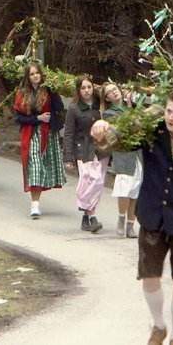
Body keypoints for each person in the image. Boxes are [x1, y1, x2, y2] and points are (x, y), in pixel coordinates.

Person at [91, 90, 173, 345]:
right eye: (168, 111)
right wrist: (103, 130)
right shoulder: (152, 131)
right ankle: (159, 325)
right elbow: (121, 140)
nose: (170, 117)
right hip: (153, 215)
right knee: (149, 276)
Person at [14, 62, 66, 218]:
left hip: (47, 134)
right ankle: (34, 204)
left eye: (37, 73)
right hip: (31, 133)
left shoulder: (48, 91)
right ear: (27, 77)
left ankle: (37, 200)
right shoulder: (22, 94)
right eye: (32, 74)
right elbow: (19, 118)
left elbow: (59, 107)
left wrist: (53, 88)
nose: (35, 76)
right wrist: (38, 118)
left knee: (45, 166)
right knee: (35, 166)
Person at [63, 75, 109, 232]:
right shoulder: (74, 108)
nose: (87, 90)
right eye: (83, 88)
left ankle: (85, 216)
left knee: (98, 182)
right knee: (90, 179)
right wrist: (68, 157)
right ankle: (93, 218)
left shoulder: (100, 105)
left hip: (100, 149)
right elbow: (68, 133)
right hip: (83, 148)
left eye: (89, 87)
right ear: (78, 90)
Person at [100, 83, 143, 238]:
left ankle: (131, 225)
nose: (114, 93)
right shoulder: (109, 114)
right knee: (124, 187)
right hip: (124, 153)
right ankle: (121, 218)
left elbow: (142, 122)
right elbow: (121, 129)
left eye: (115, 89)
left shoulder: (132, 106)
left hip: (138, 152)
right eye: (109, 92)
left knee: (135, 191)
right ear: (107, 98)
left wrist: (131, 105)